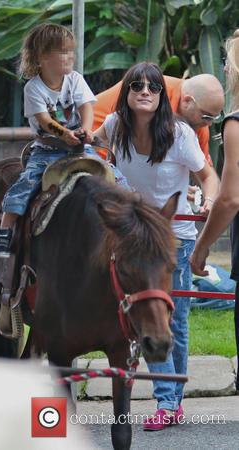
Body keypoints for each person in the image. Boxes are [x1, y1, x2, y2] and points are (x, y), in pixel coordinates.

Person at [94, 62, 220, 430]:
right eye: (136, 86)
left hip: (174, 241)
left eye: (152, 86)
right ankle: (168, 401)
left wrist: (209, 200)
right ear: (127, 94)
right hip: (134, 239)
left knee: (175, 322)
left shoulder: (179, 134)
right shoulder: (116, 126)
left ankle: (172, 400)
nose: (145, 91)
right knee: (146, 318)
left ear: (163, 96)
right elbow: (91, 142)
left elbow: (208, 176)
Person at [0, 23, 128, 258]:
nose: (70, 56)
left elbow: (86, 108)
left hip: (79, 148)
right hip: (48, 151)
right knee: (26, 184)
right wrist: (65, 134)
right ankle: (3, 234)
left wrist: (84, 130)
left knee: (116, 177)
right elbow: (44, 121)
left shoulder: (75, 80)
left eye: (71, 51)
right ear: (42, 57)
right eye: (63, 52)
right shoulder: (34, 88)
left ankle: (131, 223)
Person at [190, 29, 239, 391]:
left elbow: (229, 198)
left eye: (227, 60)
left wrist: (202, 247)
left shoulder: (235, 123)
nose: (224, 67)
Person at [93, 73, 225, 165]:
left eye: (215, 117)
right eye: (207, 116)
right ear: (187, 101)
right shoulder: (153, 94)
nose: (209, 123)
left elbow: (204, 168)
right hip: (95, 144)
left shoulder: (198, 121)